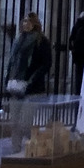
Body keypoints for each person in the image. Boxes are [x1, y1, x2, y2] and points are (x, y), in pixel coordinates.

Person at [6, 11, 52, 148]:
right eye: (24, 21)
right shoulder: (19, 40)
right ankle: (15, 150)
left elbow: (46, 63)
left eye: (28, 21)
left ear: (35, 24)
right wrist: (8, 77)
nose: (25, 23)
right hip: (16, 86)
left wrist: (33, 80)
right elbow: (12, 61)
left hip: (32, 89)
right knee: (14, 123)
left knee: (25, 124)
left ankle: (36, 145)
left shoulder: (41, 41)